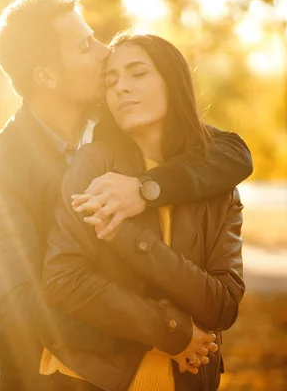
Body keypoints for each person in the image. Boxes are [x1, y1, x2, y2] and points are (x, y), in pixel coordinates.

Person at [0, 0, 252, 390]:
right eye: (86, 46)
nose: (105, 54)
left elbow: (232, 153)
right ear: (47, 76)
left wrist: (147, 189)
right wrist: (166, 332)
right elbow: (23, 301)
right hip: (44, 375)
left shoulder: (119, 116)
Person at [41, 33, 245, 391]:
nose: (121, 88)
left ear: (173, 82)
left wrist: (127, 236)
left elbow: (223, 307)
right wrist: (173, 329)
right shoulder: (94, 164)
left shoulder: (215, 181)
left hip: (188, 379)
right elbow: (66, 280)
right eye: (111, 80)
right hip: (91, 379)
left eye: (137, 73)